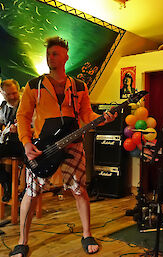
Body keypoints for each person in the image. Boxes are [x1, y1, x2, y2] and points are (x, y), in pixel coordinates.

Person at [10, 36, 117, 257]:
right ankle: (22, 241)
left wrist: (101, 118)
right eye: (49, 54)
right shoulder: (34, 85)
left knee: (80, 190)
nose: (51, 58)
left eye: (55, 53)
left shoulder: (79, 86)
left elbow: (87, 114)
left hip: (73, 143)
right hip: (42, 148)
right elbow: (22, 116)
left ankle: (87, 234)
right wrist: (27, 142)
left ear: (66, 56)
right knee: (31, 193)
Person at [0, 79, 24, 202]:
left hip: (24, 144)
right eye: (8, 94)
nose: (12, 97)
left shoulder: (25, 105)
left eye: (14, 93)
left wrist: (21, 128)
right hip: (8, 143)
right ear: (2, 93)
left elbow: (36, 126)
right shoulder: (3, 107)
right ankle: (6, 183)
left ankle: (21, 189)